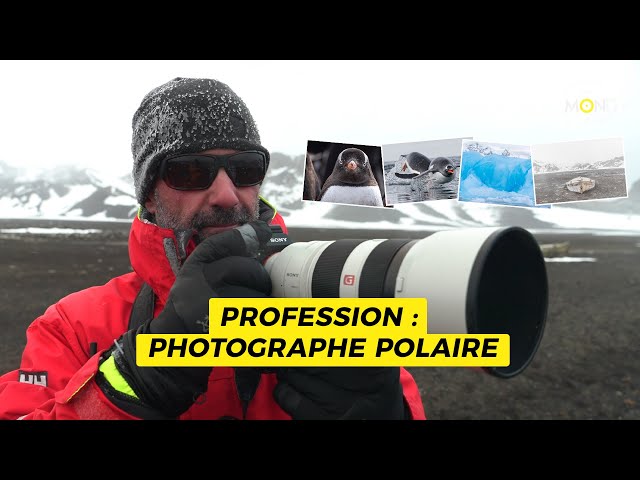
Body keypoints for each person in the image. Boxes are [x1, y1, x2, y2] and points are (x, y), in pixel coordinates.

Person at [0, 77, 426, 420]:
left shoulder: (330, 307)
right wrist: (137, 380)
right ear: (148, 196)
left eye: (244, 169)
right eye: (189, 171)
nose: (226, 194)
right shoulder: (74, 328)